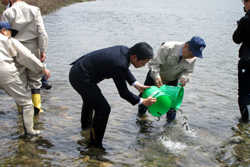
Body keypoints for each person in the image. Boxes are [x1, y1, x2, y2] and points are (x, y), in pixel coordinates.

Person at [69, 42, 157, 149]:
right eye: (143, 63)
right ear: (135, 57)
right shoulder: (118, 63)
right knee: (103, 109)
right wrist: (143, 101)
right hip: (80, 76)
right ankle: (95, 145)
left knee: (91, 100)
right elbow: (123, 93)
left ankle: (87, 130)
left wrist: (136, 84)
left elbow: (124, 68)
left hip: (79, 70)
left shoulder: (125, 51)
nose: (143, 66)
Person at [1, 0, 52, 115]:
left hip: (15, 50)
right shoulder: (35, 10)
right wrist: (43, 50)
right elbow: (42, 32)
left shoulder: (7, 13)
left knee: (20, 83)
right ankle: (37, 110)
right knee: (35, 81)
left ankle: (22, 112)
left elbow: (3, 35)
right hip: (34, 49)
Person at [138, 36, 206, 121]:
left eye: (194, 55)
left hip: (172, 80)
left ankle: (169, 125)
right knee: (145, 100)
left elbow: (188, 72)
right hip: (155, 76)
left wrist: (184, 78)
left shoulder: (193, 57)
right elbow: (153, 64)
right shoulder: (168, 48)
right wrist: (157, 77)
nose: (191, 57)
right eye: (191, 54)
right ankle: (141, 119)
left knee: (172, 105)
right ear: (185, 46)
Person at [0, 22, 50, 136]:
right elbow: (26, 56)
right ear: (3, 31)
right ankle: (30, 132)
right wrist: (42, 69)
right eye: (10, 33)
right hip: (4, 71)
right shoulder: (8, 40)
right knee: (26, 103)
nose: (11, 36)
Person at [233, 0, 250, 121]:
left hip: (247, 60)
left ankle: (245, 122)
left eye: (244, 1)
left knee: (244, 93)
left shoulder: (246, 20)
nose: (244, 4)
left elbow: (236, 39)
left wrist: (239, 26)